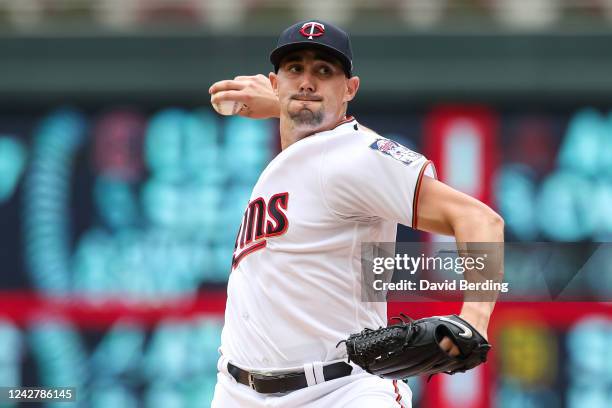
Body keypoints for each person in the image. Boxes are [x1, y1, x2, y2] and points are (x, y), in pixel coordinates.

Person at [209, 19, 504, 407]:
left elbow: (481, 219)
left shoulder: (356, 155)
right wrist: (281, 105)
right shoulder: (294, 159)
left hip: (338, 391)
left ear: (350, 89)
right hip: (237, 392)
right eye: (295, 69)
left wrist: (474, 322)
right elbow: (304, 112)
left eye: (324, 72)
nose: (308, 82)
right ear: (275, 82)